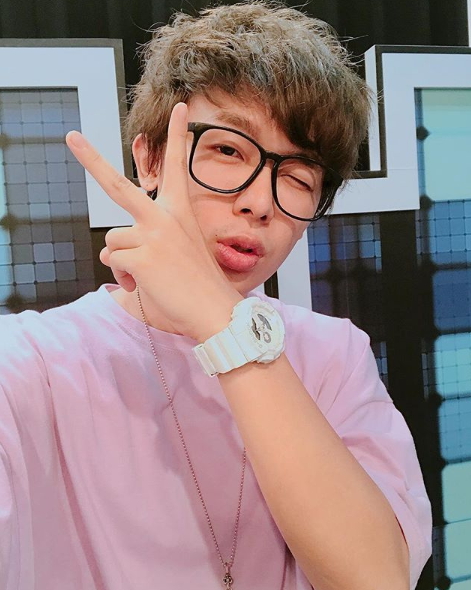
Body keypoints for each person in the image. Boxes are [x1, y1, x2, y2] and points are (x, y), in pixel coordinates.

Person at [0, 2, 432, 589]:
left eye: (299, 177)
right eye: (228, 151)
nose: (259, 202)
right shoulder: (31, 364)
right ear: (151, 159)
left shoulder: (335, 356)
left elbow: (376, 579)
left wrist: (221, 322)